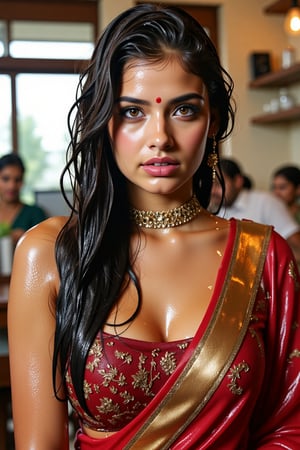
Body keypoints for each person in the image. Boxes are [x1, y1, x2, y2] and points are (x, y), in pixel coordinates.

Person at [8, 4, 300, 449]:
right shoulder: (51, 253)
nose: (159, 136)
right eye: (132, 112)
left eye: (184, 110)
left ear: (213, 122)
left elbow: (288, 428)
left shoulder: (262, 258)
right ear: (104, 121)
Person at [210, 157, 300, 267]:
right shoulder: (212, 210)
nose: (213, 191)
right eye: (211, 185)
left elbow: (297, 248)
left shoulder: (265, 202)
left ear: (238, 181)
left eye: (219, 184)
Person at [0, 153, 47, 244]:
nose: (12, 186)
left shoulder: (35, 213)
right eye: (5, 179)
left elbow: (43, 249)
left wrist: (25, 238)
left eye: (17, 180)